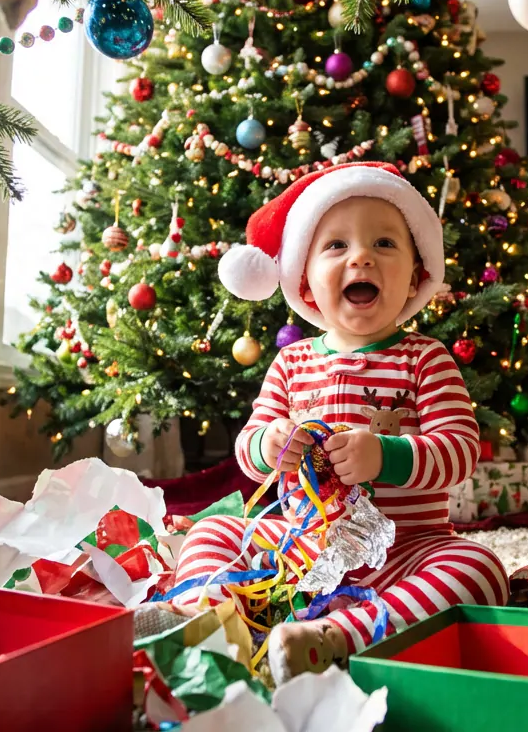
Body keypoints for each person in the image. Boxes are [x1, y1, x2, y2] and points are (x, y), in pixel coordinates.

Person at [170, 162, 507, 685]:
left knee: (480, 572)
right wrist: (270, 445)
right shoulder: (291, 363)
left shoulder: (426, 359)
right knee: (211, 530)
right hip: (298, 548)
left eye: (385, 244)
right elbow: (248, 450)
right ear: (303, 279)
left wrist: (387, 455)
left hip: (408, 549)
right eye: (335, 246)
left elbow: (460, 450)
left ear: (418, 275)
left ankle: (336, 639)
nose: (362, 256)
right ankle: (207, 621)